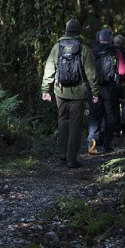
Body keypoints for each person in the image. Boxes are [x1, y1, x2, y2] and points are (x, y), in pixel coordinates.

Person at [42, 19, 99, 168]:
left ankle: (62, 155)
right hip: (79, 93)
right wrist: (95, 92)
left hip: (60, 91)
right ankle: (71, 159)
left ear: (66, 30)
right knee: (75, 124)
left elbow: (49, 68)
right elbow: (91, 73)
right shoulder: (83, 49)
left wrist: (45, 89)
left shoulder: (57, 47)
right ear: (79, 31)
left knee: (62, 121)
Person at [87, 29, 119, 154]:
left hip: (94, 88)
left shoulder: (92, 51)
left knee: (94, 116)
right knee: (109, 115)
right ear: (110, 39)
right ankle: (107, 145)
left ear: (98, 38)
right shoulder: (115, 51)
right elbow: (121, 71)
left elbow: (86, 69)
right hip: (109, 88)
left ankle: (92, 145)